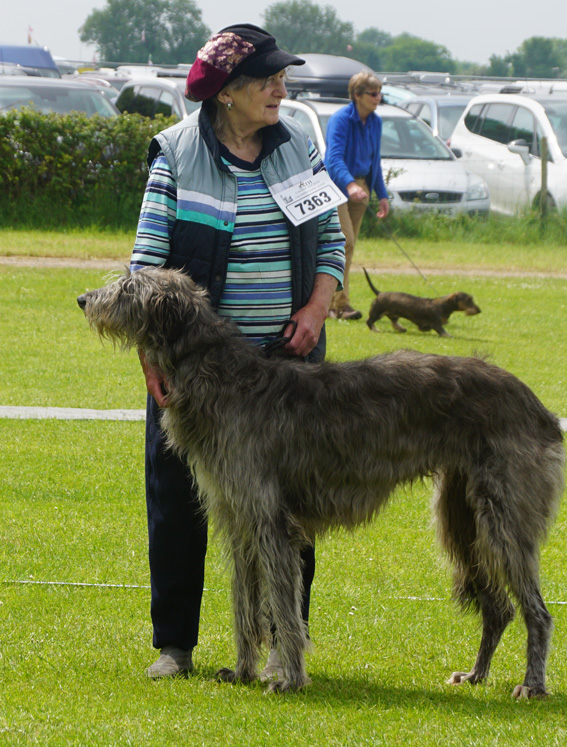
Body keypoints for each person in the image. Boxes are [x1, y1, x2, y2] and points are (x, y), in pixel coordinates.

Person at [129, 23, 346, 679]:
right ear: (227, 93)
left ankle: (286, 643)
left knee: (290, 507)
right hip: (199, 374)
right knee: (180, 501)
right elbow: (145, 266)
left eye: (282, 79)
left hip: (287, 369)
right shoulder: (176, 155)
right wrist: (152, 355)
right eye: (268, 81)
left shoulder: (297, 148)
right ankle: (177, 644)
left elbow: (330, 244)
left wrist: (315, 307)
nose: (281, 90)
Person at [324, 71, 390, 320]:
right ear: (357, 95)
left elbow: (376, 161)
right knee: (344, 242)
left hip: (361, 187)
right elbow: (333, 159)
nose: (378, 98)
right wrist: (350, 185)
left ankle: (337, 305)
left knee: (347, 249)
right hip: (337, 187)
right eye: (373, 94)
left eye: (380, 93)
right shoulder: (340, 120)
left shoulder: (376, 122)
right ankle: (337, 304)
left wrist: (382, 194)